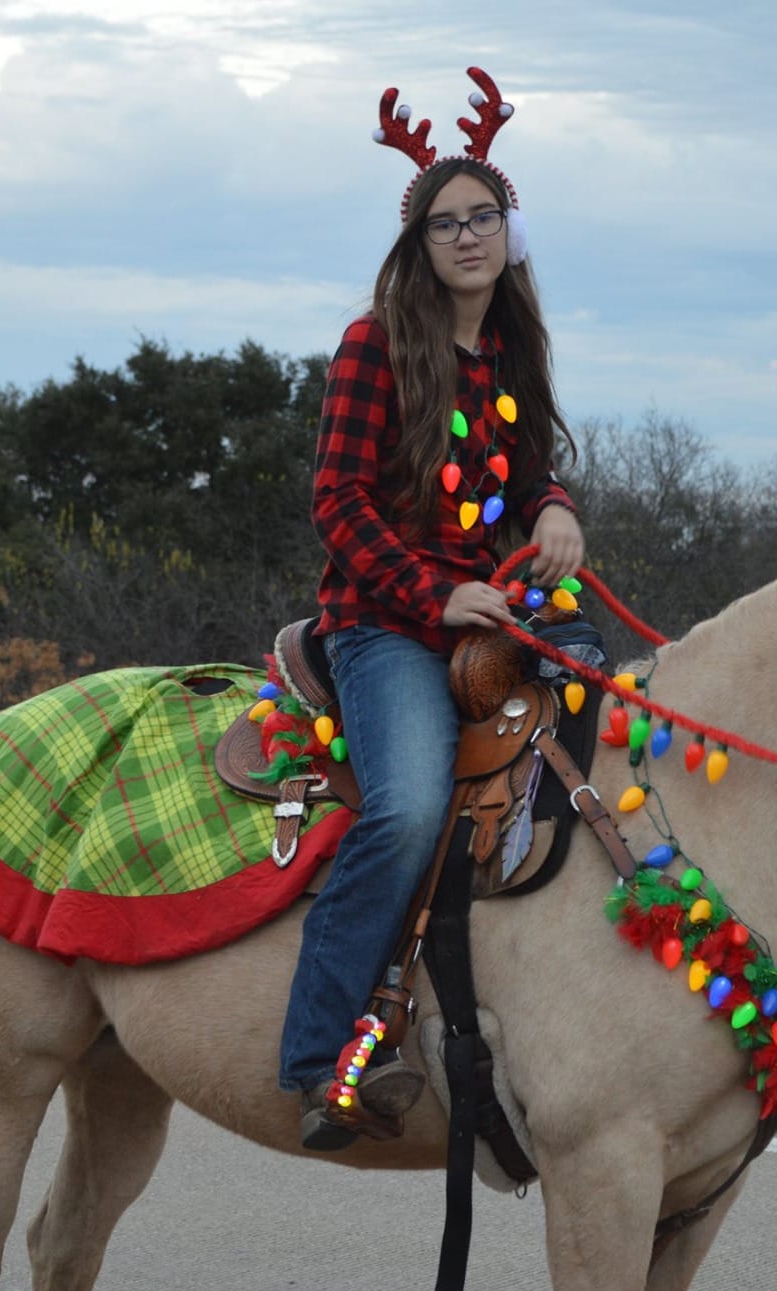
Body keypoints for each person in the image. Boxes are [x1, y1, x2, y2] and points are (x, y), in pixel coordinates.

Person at [282, 69, 585, 1150]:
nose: (468, 237)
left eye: (484, 218)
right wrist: (429, 590)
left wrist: (553, 511)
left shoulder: (510, 351)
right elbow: (336, 501)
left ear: (508, 231)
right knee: (408, 806)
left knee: (607, 751)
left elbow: (536, 466)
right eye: (446, 224)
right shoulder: (375, 346)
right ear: (418, 246)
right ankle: (322, 1053)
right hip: (386, 626)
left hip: (495, 619)